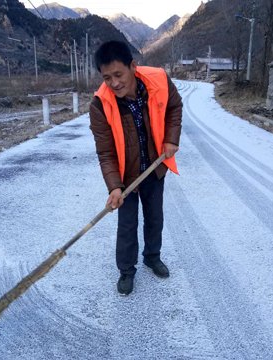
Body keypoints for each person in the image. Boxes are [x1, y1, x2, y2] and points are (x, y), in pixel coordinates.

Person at [89, 40, 182, 296]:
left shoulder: (159, 81)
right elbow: (106, 151)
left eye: (118, 74)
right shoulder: (100, 105)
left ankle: (152, 256)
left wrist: (171, 139)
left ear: (132, 66)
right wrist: (114, 187)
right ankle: (126, 270)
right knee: (127, 224)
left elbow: (175, 106)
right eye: (107, 77)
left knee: (155, 217)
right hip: (126, 176)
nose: (114, 83)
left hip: (154, 167)